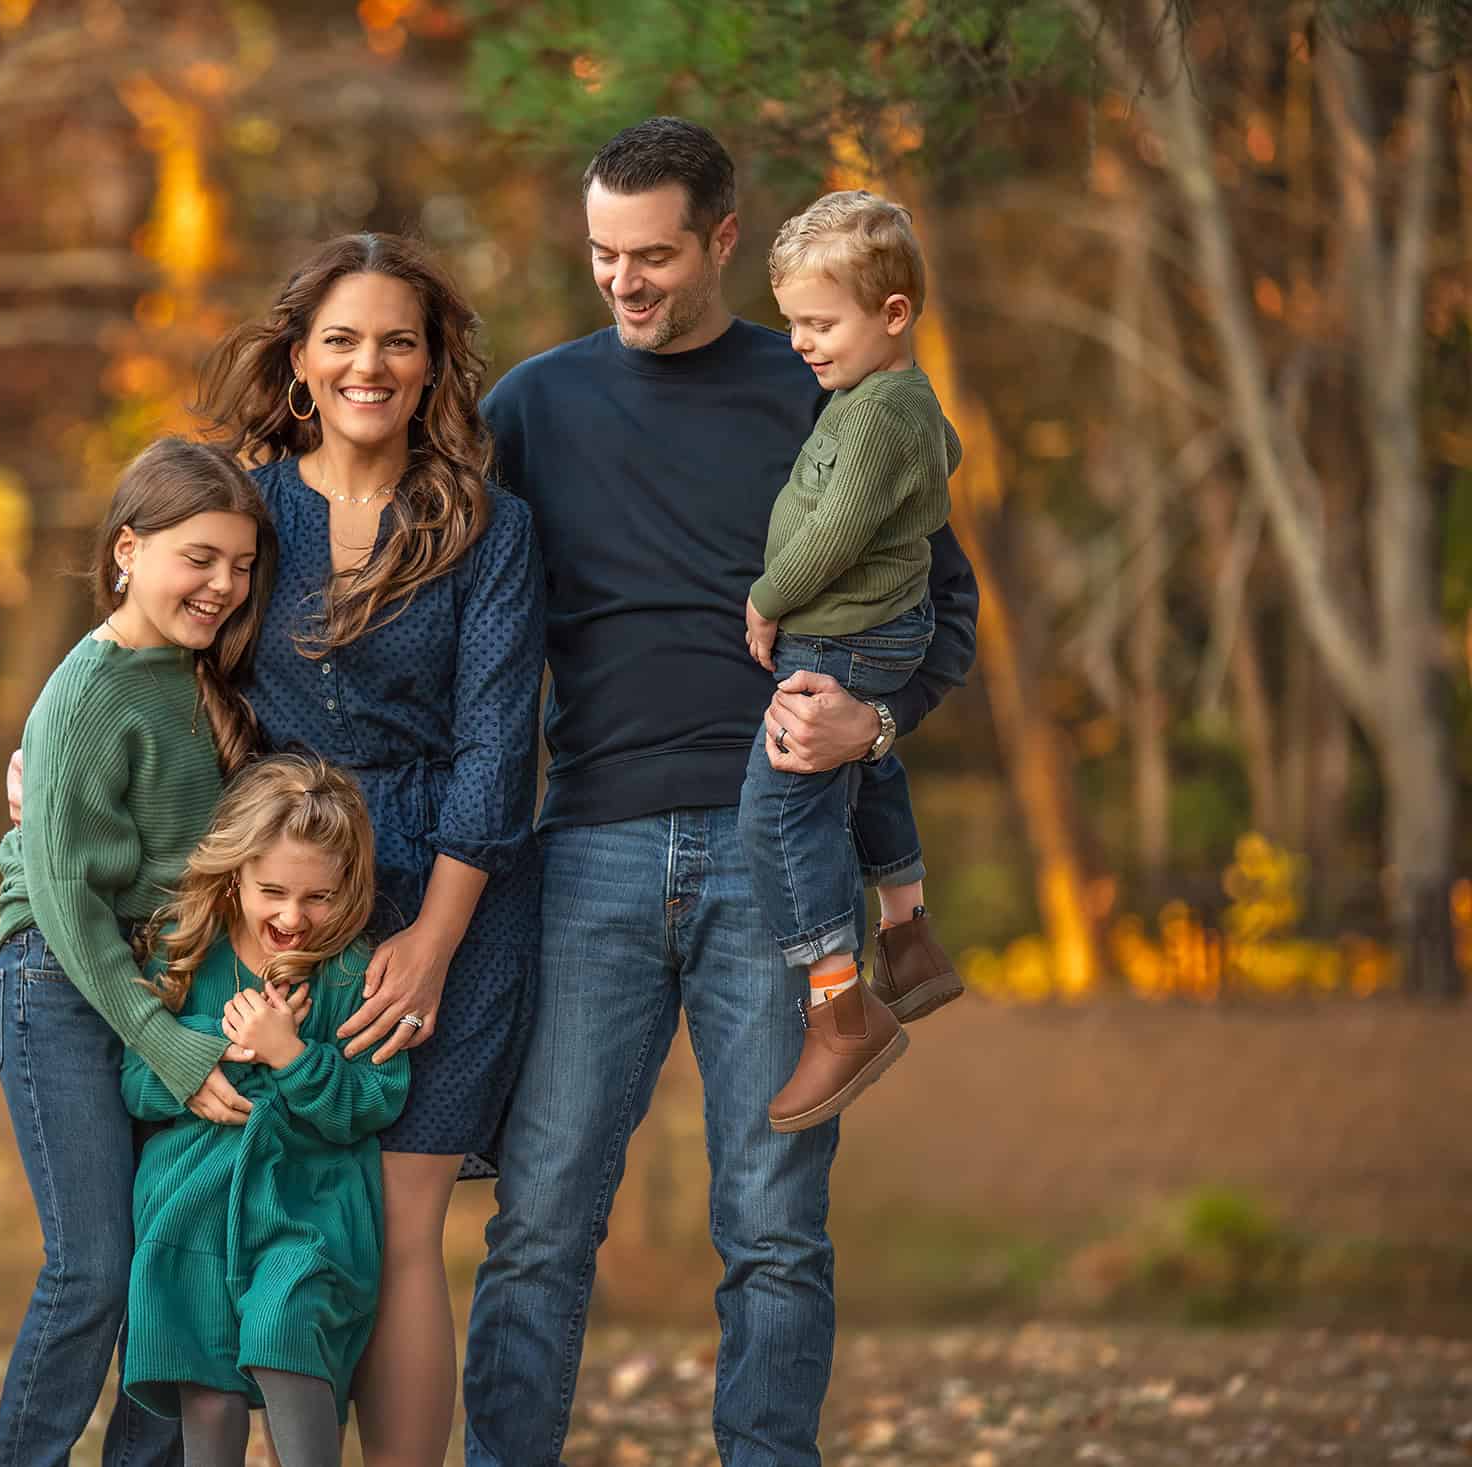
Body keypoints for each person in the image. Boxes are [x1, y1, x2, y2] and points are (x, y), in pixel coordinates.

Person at [461, 118, 979, 1467]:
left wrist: (879, 718)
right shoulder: (530, 406)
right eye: (601, 255)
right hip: (590, 852)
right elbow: (427, 603)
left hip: (779, 855)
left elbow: (950, 599)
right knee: (541, 1216)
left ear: (724, 242)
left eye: (654, 255)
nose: (624, 282)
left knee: (773, 1222)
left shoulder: (821, 387)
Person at [198, 231, 544, 1467]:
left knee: (400, 1219)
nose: (370, 363)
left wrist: (432, 946)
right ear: (299, 359)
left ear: (433, 358)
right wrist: (47, 752)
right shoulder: (242, 506)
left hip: (452, 899)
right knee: (285, 1198)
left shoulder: (487, 530)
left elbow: (501, 751)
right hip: (282, 900)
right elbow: (158, 641)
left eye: (398, 339)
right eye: (342, 339)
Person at [0, 436, 280, 1467]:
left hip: (157, 992)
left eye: (241, 565)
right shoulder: (87, 693)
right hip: (62, 989)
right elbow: (67, 910)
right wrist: (168, 1046)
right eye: (198, 557)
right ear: (127, 548)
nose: (223, 584)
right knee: (92, 1271)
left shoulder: (187, 680)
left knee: (175, 1266)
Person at [743, 189, 967, 1135]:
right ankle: (909, 941)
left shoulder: (878, 411)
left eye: (820, 322)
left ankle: (841, 1010)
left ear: (894, 315)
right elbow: (947, 451)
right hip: (865, 630)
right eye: (792, 321)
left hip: (837, 634)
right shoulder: (888, 399)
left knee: (780, 812)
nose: (800, 341)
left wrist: (766, 596)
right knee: (869, 769)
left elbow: (834, 532)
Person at [120, 754, 410, 1467]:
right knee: (209, 1393)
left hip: (303, 1209)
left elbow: (377, 1097)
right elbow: (136, 1082)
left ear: (348, 887)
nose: (292, 917)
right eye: (272, 891)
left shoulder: (350, 974)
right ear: (235, 875)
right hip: (188, 1205)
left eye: (318, 896)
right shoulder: (187, 957)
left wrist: (290, 1055)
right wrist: (215, 1046)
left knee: (289, 1336)